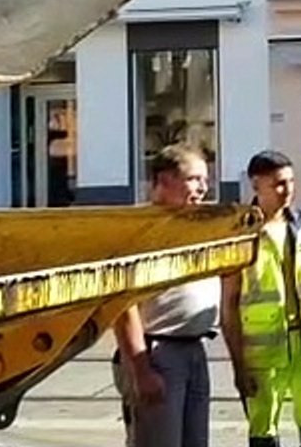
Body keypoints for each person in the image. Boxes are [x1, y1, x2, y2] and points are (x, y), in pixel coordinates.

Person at [221, 150, 301, 447]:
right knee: (263, 429)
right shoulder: (240, 233)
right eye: (278, 183)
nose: (288, 190)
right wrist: (238, 365)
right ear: (256, 185)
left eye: (291, 181)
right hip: (263, 354)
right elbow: (228, 305)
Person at [112, 144, 219, 447]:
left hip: (195, 348)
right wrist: (141, 370)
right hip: (157, 353)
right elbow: (123, 305)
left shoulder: (196, 225)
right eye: (194, 179)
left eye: (205, 180)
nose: (203, 188)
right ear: (164, 180)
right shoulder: (139, 230)